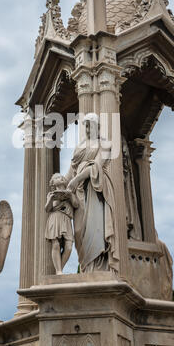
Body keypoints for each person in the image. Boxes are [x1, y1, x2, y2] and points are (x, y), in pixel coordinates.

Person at [65, 113, 119, 273]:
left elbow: (96, 166)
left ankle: (98, 269)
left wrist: (76, 180)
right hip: (79, 193)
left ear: (98, 126)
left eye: (90, 125)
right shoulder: (80, 146)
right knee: (79, 232)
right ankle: (86, 268)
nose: (88, 129)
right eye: (86, 126)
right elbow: (71, 170)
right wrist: (62, 185)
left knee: (96, 230)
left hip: (96, 190)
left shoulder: (105, 144)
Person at [45, 174, 78, 275]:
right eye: (57, 178)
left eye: (61, 177)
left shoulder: (70, 192)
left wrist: (70, 195)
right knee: (56, 244)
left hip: (67, 220)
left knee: (68, 247)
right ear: (53, 183)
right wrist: (51, 199)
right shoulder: (51, 194)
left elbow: (76, 204)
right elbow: (47, 209)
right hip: (55, 218)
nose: (61, 178)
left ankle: (60, 269)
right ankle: (59, 271)